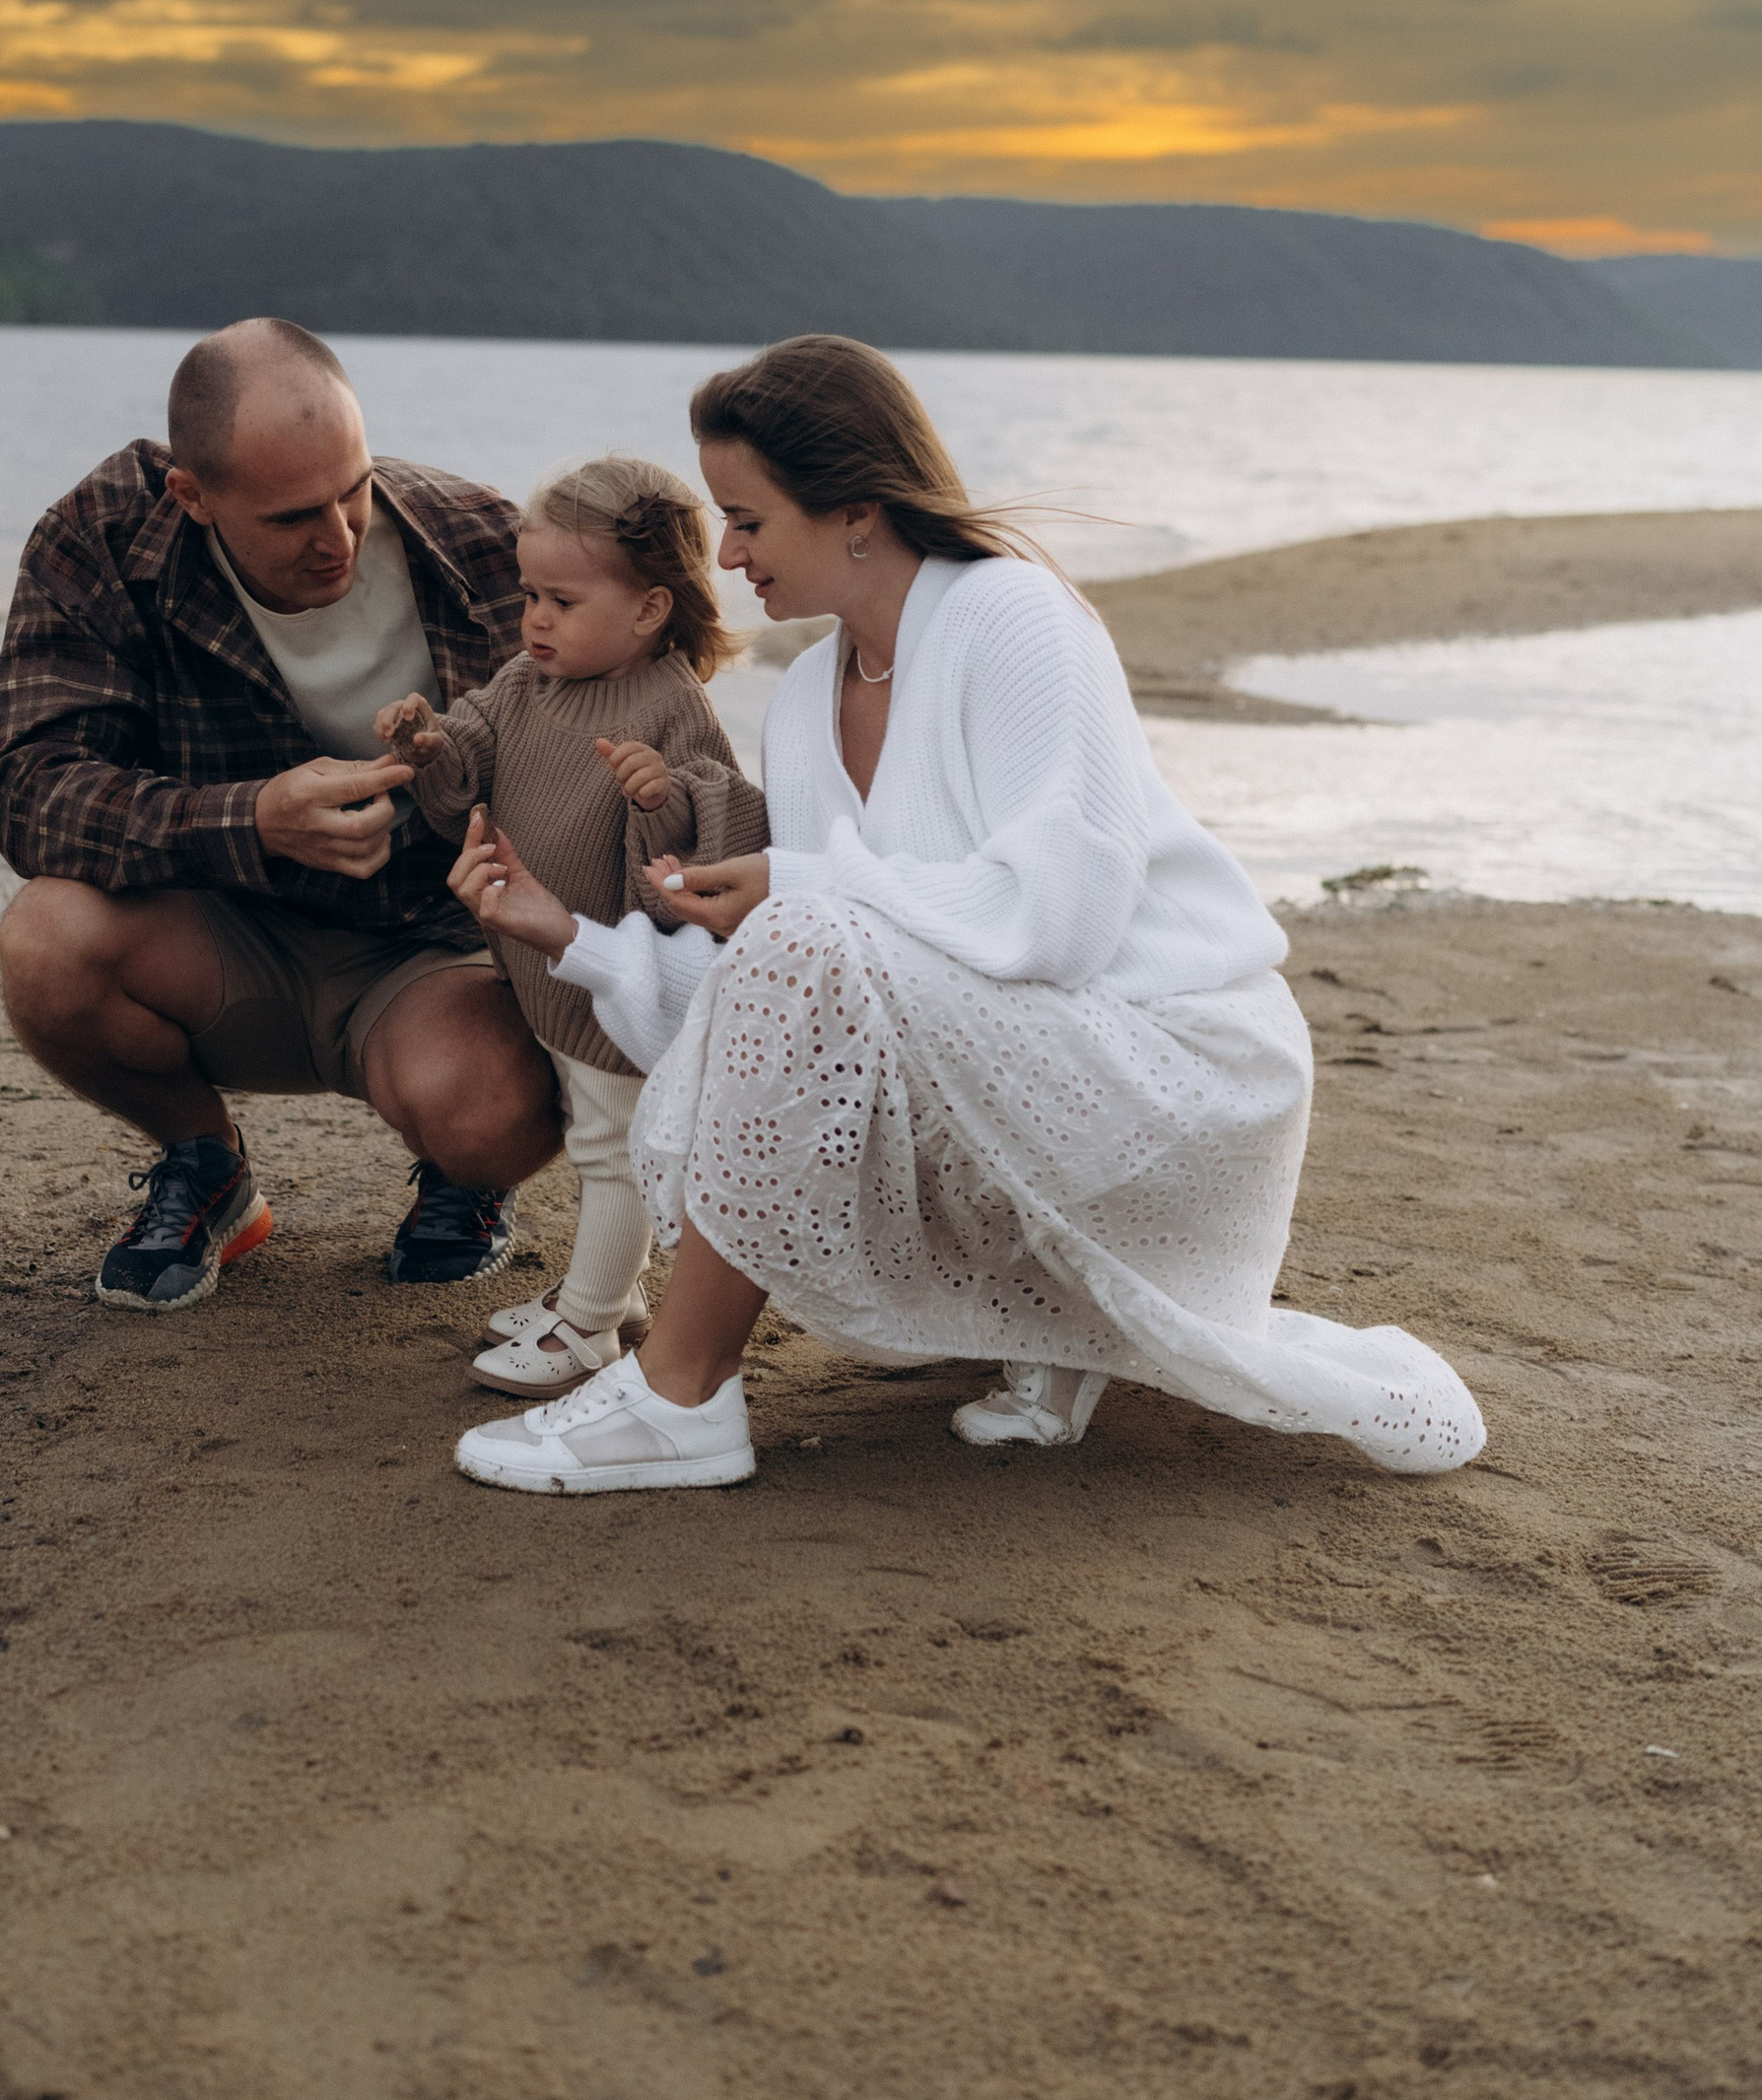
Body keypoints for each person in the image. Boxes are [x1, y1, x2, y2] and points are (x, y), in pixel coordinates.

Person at [446, 334, 1487, 1497]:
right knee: (796, 945)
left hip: (1176, 1064)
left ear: (852, 511)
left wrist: (800, 887)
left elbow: (1062, 918)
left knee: (801, 930)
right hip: (1021, 1058)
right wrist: (567, 935)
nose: (726, 556)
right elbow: (789, 1012)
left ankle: (679, 1392)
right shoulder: (800, 699)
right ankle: (1050, 1324)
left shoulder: (1014, 618)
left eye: (747, 520)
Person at [0, 317, 560, 1308]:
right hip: (220, 937)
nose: (337, 540)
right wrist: (244, 820)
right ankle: (205, 1164)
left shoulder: (483, 543)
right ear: (191, 495)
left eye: (354, 491)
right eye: (293, 517)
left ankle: (464, 1179)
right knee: (44, 941)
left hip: (429, 955)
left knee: (492, 1121)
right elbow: (27, 787)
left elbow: (608, 760)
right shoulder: (100, 541)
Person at [376, 455, 768, 1397]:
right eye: (529, 595)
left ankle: (590, 1326)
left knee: (610, 1146)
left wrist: (661, 795)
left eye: (562, 599)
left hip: (619, 975)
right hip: (545, 964)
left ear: (650, 608)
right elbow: (468, 747)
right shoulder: (524, 681)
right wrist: (428, 744)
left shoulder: (670, 702)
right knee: (596, 1128)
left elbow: (725, 832)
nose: (536, 619)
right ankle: (614, 1296)